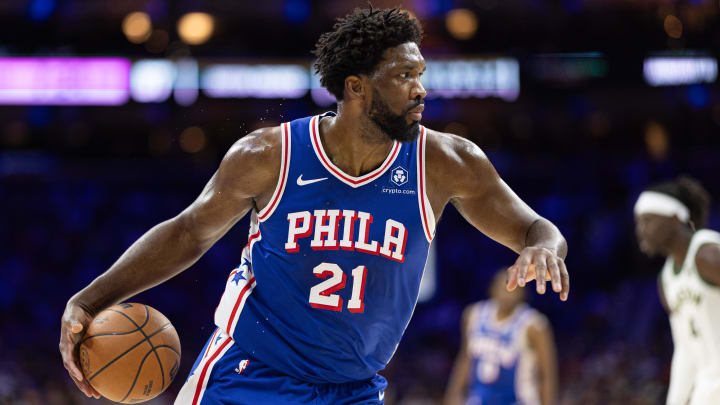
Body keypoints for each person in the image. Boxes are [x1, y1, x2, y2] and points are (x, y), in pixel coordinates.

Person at [59, 7, 569, 404]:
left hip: (353, 389)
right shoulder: (269, 155)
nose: (422, 89)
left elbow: (535, 228)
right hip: (250, 375)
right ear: (356, 87)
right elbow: (189, 232)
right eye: (404, 76)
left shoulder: (446, 162)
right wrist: (90, 299)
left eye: (422, 73)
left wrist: (544, 248)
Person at [634, 176, 720, 405]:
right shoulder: (667, 279)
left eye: (647, 221)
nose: (640, 230)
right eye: (638, 223)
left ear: (674, 218)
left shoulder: (708, 254)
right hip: (708, 387)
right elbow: (685, 350)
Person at [443, 270, 558, 405]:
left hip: (519, 400)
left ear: (523, 293)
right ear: (492, 289)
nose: (507, 294)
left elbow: (547, 373)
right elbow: (465, 359)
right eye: (503, 288)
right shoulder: (473, 315)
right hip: (479, 399)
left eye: (513, 289)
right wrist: (452, 395)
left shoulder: (534, 325)